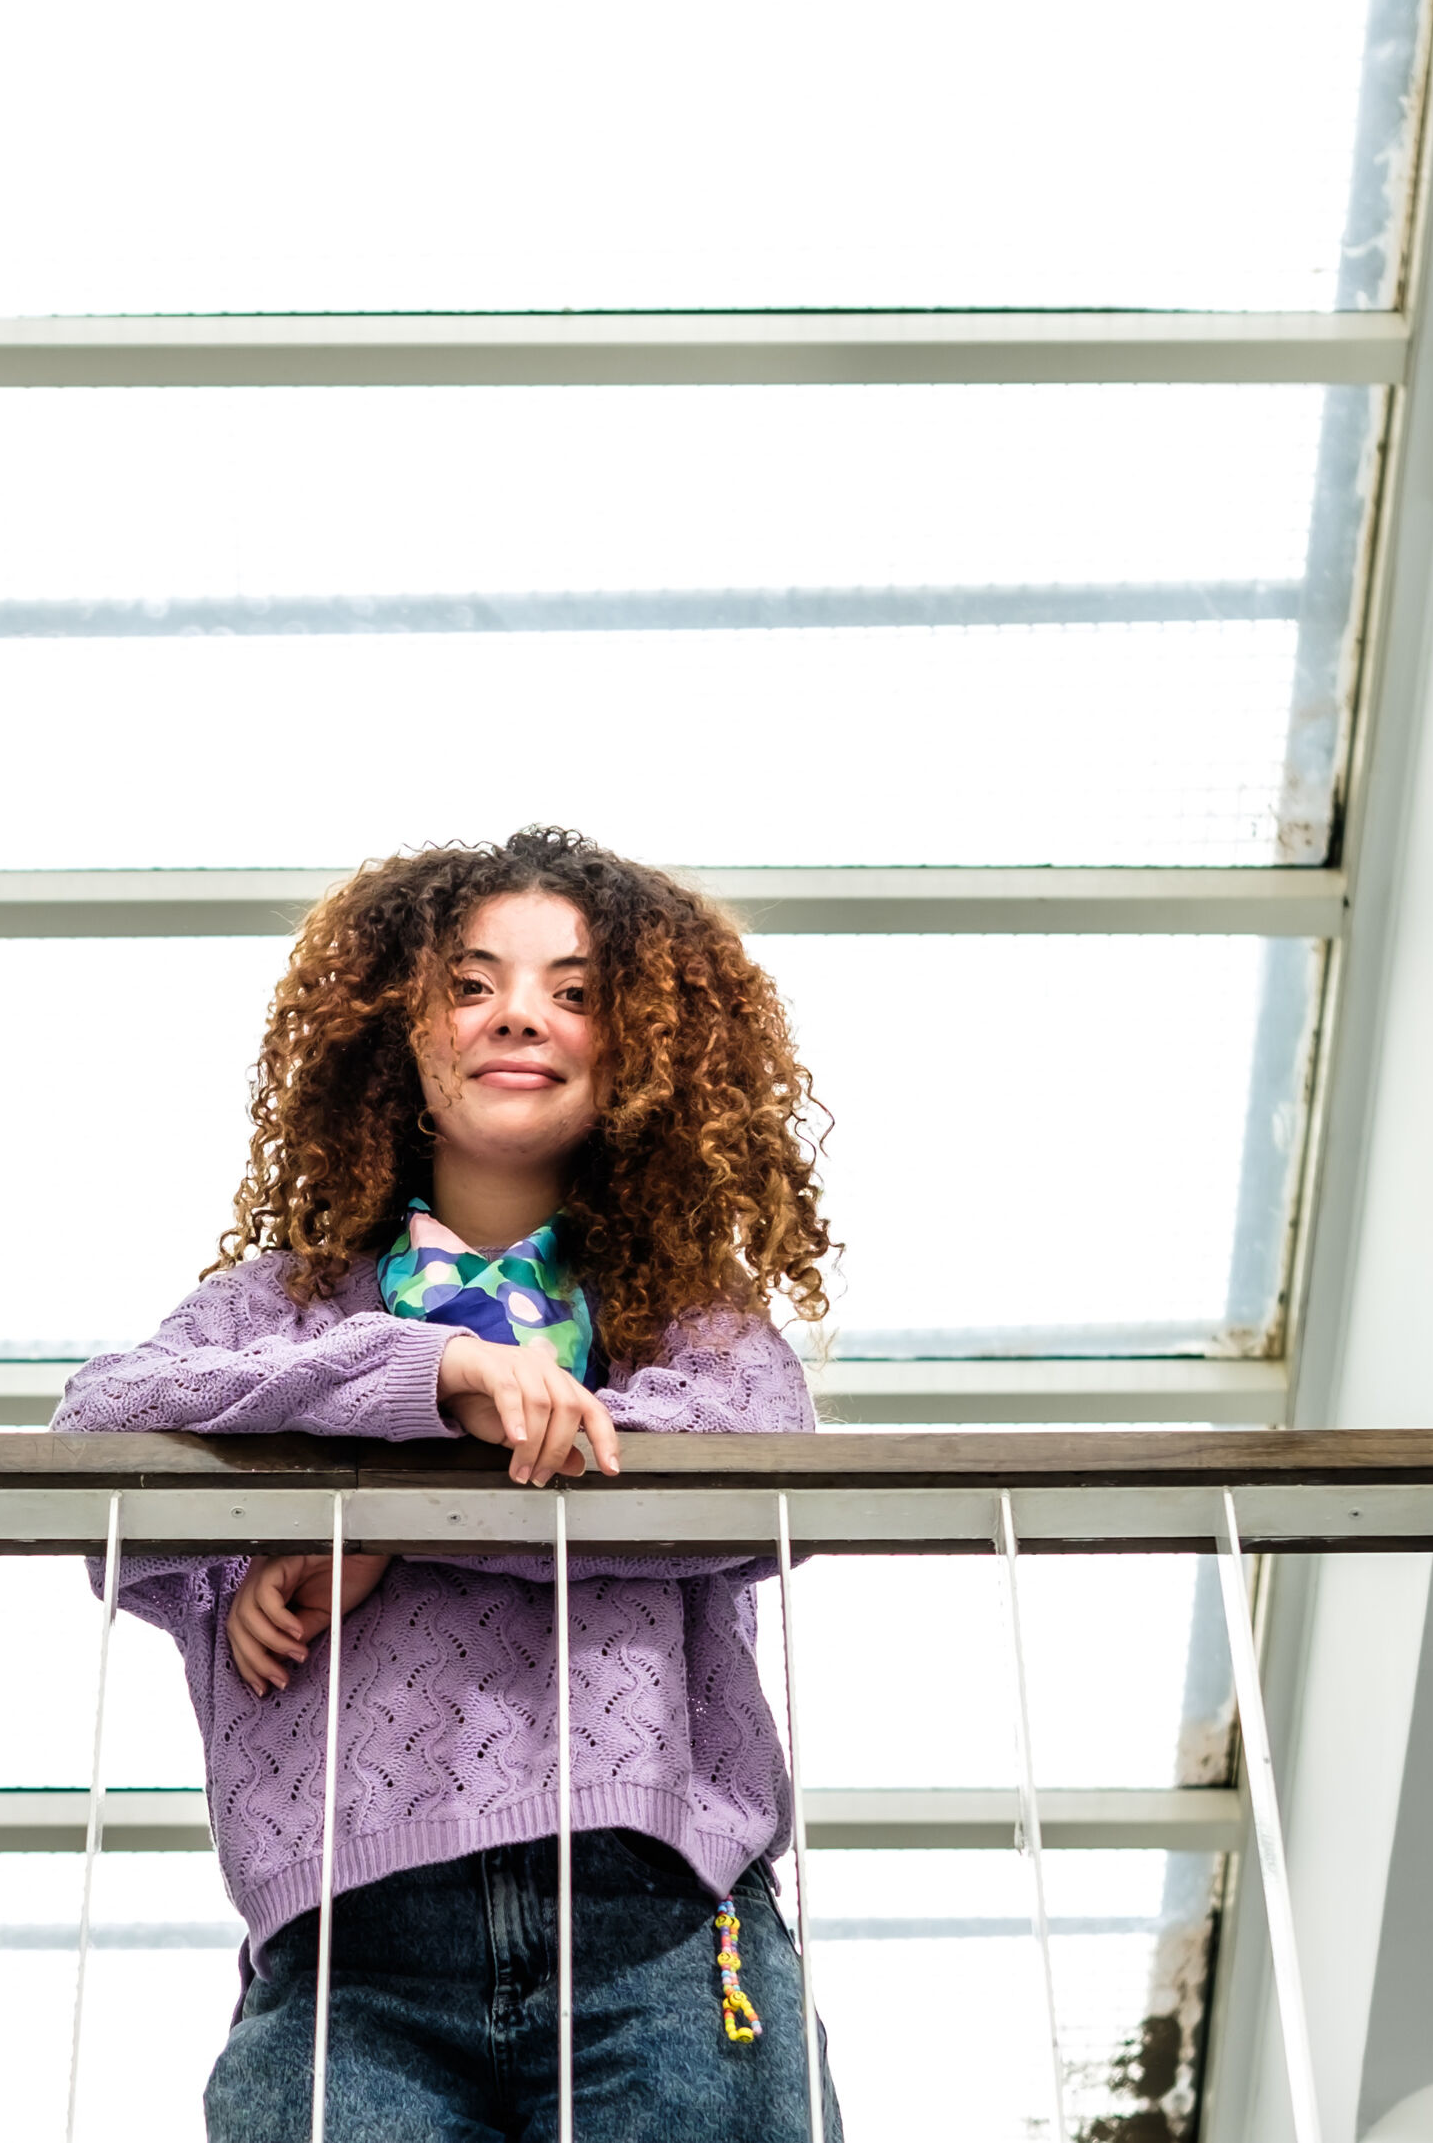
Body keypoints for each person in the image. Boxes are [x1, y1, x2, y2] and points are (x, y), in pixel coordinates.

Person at [51, 826, 846, 2142]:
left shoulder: (683, 1315)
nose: (520, 1013)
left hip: (659, 1929)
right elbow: (99, 1434)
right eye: (471, 984)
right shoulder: (282, 1304)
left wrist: (384, 1525)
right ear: (402, 1033)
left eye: (576, 990)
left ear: (636, 1042)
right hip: (345, 1967)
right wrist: (437, 1376)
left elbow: (756, 1457)